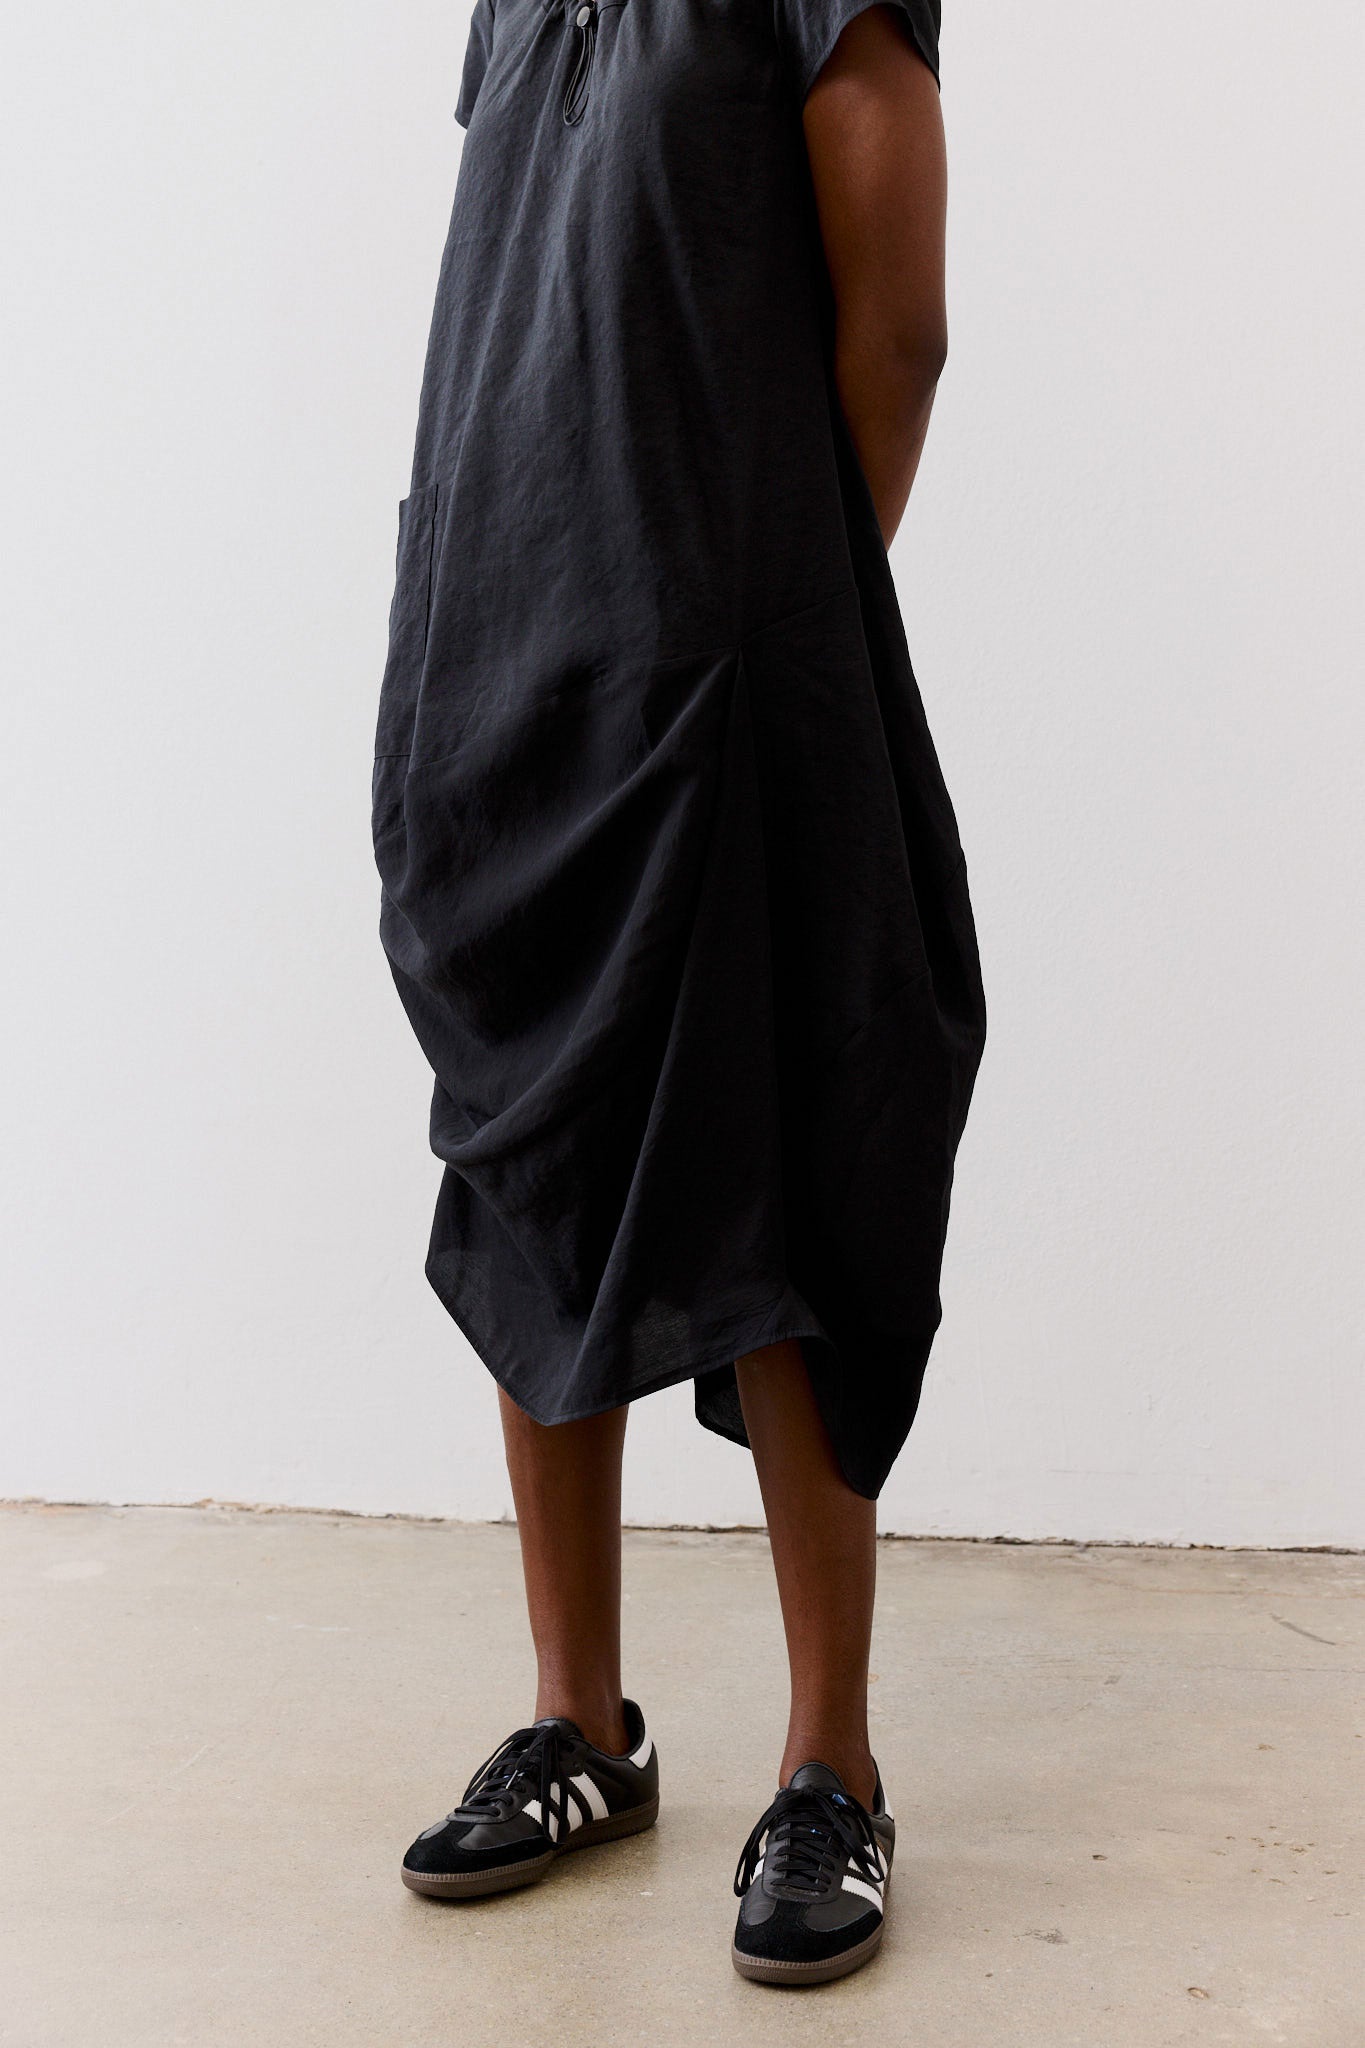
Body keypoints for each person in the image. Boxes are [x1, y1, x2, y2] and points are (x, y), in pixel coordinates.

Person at [371, 0, 985, 1986]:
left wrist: (766, 591)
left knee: (789, 1156)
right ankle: (581, 1727)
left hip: (728, 660)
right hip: (502, 636)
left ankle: (828, 1766)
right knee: (529, 1157)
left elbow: (898, 327)